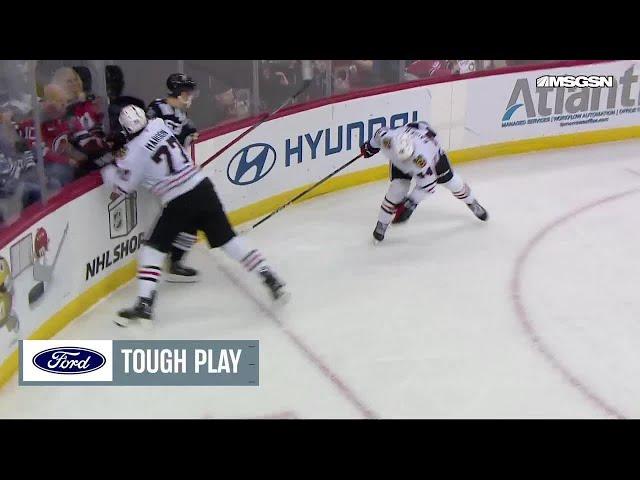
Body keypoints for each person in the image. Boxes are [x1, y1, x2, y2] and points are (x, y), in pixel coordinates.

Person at [100, 105, 288, 327]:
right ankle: (268, 275)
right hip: (202, 186)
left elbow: (123, 188)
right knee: (229, 240)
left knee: (154, 248)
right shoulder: (159, 125)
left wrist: (110, 168)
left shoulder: (133, 153)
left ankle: (145, 303)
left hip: (178, 199)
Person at [360, 121, 489, 243]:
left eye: (408, 158)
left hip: (434, 156)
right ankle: (382, 223)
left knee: (452, 182)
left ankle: (471, 202)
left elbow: (428, 186)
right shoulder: (388, 140)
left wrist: (411, 203)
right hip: (411, 139)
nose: (405, 161)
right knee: (397, 189)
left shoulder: (422, 160)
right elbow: (380, 133)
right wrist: (370, 146)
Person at [147, 73, 200, 283]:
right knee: (182, 214)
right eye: (188, 93)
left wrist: (191, 135)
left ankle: (173, 259)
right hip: (161, 175)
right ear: (180, 93)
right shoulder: (156, 109)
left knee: (188, 214)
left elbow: (189, 130)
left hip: (176, 173)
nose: (191, 98)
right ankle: (168, 260)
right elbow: (151, 138)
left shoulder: (180, 114)